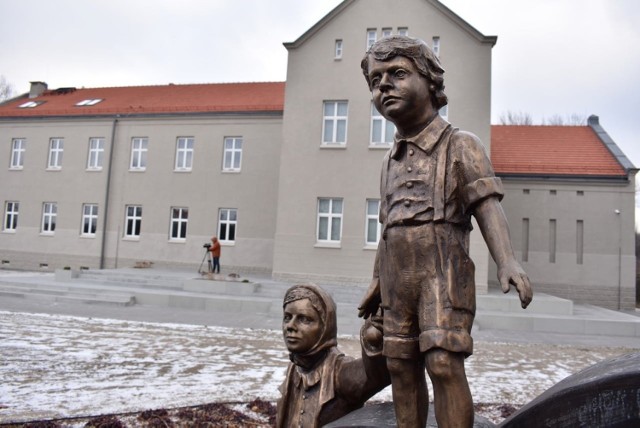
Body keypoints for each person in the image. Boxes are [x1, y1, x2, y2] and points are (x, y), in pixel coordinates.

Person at [358, 35, 533, 428]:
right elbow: (388, 225)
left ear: (431, 83)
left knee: (442, 361)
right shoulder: (388, 162)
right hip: (396, 278)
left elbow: (487, 207)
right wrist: (376, 280)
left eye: (397, 74)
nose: (383, 85)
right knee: (400, 365)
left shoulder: (461, 146)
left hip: (443, 272)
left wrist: (507, 261)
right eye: (375, 80)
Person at [276, 284, 390, 428]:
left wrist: (375, 337)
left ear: (325, 326)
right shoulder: (295, 367)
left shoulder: (340, 374)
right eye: (287, 317)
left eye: (304, 319)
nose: (290, 326)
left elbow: (376, 375)